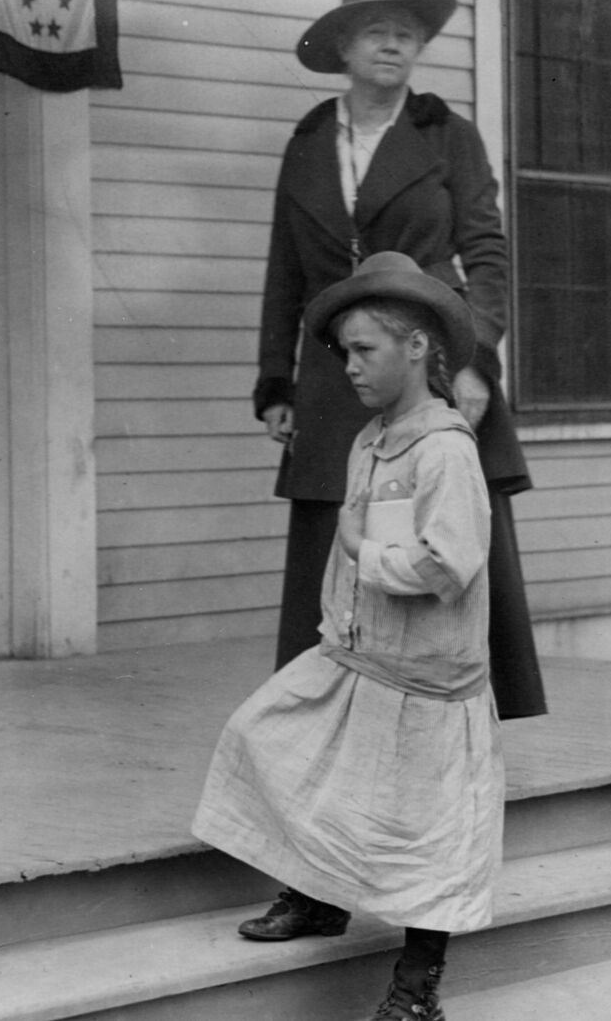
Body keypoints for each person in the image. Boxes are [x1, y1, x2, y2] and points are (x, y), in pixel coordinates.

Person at [195, 252, 503, 1021]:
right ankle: (320, 894)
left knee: (424, 839)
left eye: (365, 350)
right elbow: (350, 548)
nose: (351, 367)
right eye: (345, 353)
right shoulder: (371, 439)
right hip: (358, 657)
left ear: (418, 347)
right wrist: (341, 613)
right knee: (265, 737)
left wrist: (368, 556)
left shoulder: (445, 450)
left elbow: (449, 564)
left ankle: (416, 989)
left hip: (429, 683)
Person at [254, 0, 545, 722]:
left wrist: (474, 360)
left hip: (432, 364)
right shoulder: (309, 143)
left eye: (407, 34)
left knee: (441, 534)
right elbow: (286, 269)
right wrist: (277, 383)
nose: (393, 45)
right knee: (335, 543)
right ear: (344, 47)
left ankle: (460, 717)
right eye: (377, 31)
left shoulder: (447, 135)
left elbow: (488, 256)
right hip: (334, 376)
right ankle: (328, 719)